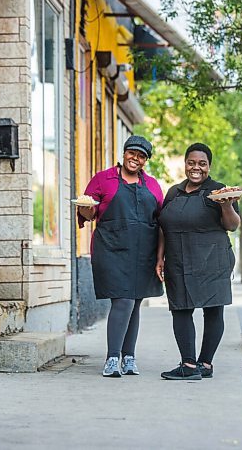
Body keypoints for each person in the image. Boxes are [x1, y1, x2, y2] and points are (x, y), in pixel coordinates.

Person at [78, 135, 163, 378]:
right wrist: (84, 207)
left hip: (143, 253)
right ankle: (112, 358)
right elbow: (89, 211)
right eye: (132, 153)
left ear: (145, 160)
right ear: (124, 153)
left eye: (141, 156)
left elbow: (161, 223)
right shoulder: (103, 179)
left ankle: (129, 358)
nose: (135, 159)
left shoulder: (153, 185)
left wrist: (160, 257)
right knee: (123, 301)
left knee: (135, 303)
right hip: (111, 250)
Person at [156, 143, 241, 380]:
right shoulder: (173, 192)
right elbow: (163, 226)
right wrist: (159, 257)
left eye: (202, 163)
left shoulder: (219, 191)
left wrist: (226, 205)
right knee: (180, 309)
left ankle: (206, 363)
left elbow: (232, 225)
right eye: (191, 162)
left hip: (212, 260)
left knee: (213, 310)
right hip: (178, 260)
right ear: (185, 164)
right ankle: (189, 365)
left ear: (209, 166)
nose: (196, 168)